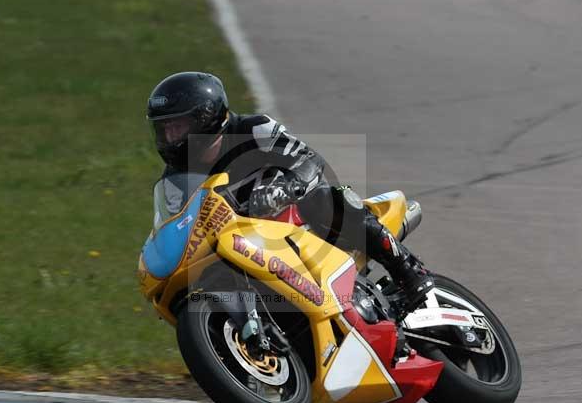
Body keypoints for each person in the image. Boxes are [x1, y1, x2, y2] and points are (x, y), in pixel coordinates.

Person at [146, 71, 433, 318]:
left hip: (295, 216)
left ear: (205, 118)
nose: (171, 138)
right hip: (246, 242)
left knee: (330, 198)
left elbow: (309, 158)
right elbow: (177, 222)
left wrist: (285, 188)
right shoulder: (175, 178)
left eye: (178, 127)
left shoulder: (252, 128)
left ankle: (408, 270)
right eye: (164, 129)